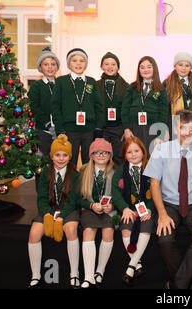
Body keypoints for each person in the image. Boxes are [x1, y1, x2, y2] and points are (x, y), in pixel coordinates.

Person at [143, 109, 192, 289]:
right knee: (164, 239)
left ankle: (177, 285)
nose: (188, 132)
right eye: (183, 127)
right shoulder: (161, 150)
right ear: (175, 129)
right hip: (169, 204)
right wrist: (162, 214)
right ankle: (182, 283)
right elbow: (154, 184)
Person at [27, 134, 81, 289]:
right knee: (34, 233)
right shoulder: (45, 173)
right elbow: (42, 198)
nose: (61, 158)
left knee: (71, 230)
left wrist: (61, 216)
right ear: (52, 156)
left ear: (70, 157)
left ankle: (74, 274)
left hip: (67, 209)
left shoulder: (75, 175)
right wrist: (47, 214)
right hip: (49, 209)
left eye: (65, 155)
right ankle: (36, 275)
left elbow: (73, 201)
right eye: (57, 155)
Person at [112, 137, 155, 287]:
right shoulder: (120, 171)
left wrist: (149, 208)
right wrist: (124, 208)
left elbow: (156, 192)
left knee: (146, 225)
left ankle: (131, 267)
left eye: (137, 151)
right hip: (128, 208)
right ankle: (137, 266)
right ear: (124, 155)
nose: (134, 154)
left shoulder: (150, 168)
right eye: (129, 152)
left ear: (143, 152)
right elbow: (115, 193)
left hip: (146, 207)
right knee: (125, 230)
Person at [51, 48, 104, 166]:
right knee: (69, 162)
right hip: (69, 130)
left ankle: (87, 184)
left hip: (89, 130)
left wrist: (98, 128)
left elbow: (99, 107)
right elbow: (55, 107)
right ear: (69, 63)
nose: (78, 63)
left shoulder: (91, 82)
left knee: (89, 163)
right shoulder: (61, 81)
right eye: (74, 60)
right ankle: (70, 185)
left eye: (82, 61)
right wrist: (60, 129)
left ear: (86, 64)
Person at [78, 138, 116, 288]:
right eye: (97, 153)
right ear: (91, 155)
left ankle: (99, 271)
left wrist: (112, 205)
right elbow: (78, 199)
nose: (101, 155)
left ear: (110, 155)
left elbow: (119, 196)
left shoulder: (115, 172)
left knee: (108, 231)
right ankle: (88, 277)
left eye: (105, 152)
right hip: (89, 209)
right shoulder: (84, 172)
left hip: (108, 211)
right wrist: (90, 204)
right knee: (88, 231)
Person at [122, 56, 169, 153]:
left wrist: (161, 133)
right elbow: (125, 109)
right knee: (135, 156)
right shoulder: (132, 87)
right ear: (139, 70)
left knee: (152, 157)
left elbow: (163, 112)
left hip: (153, 129)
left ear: (154, 69)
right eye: (142, 67)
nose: (145, 70)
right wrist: (126, 128)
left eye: (149, 67)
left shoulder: (160, 89)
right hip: (134, 128)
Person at [96, 52, 130, 166]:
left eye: (113, 64)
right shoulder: (96, 85)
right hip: (102, 127)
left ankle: (118, 182)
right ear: (102, 67)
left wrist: (126, 128)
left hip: (119, 128)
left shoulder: (126, 86)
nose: (110, 67)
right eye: (106, 64)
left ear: (118, 67)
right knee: (100, 157)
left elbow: (127, 110)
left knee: (119, 157)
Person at [28, 46, 60, 157]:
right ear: (40, 67)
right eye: (46, 64)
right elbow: (35, 107)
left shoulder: (62, 84)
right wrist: (47, 124)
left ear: (57, 67)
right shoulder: (36, 86)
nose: (50, 67)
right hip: (44, 131)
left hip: (61, 132)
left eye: (53, 64)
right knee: (45, 160)